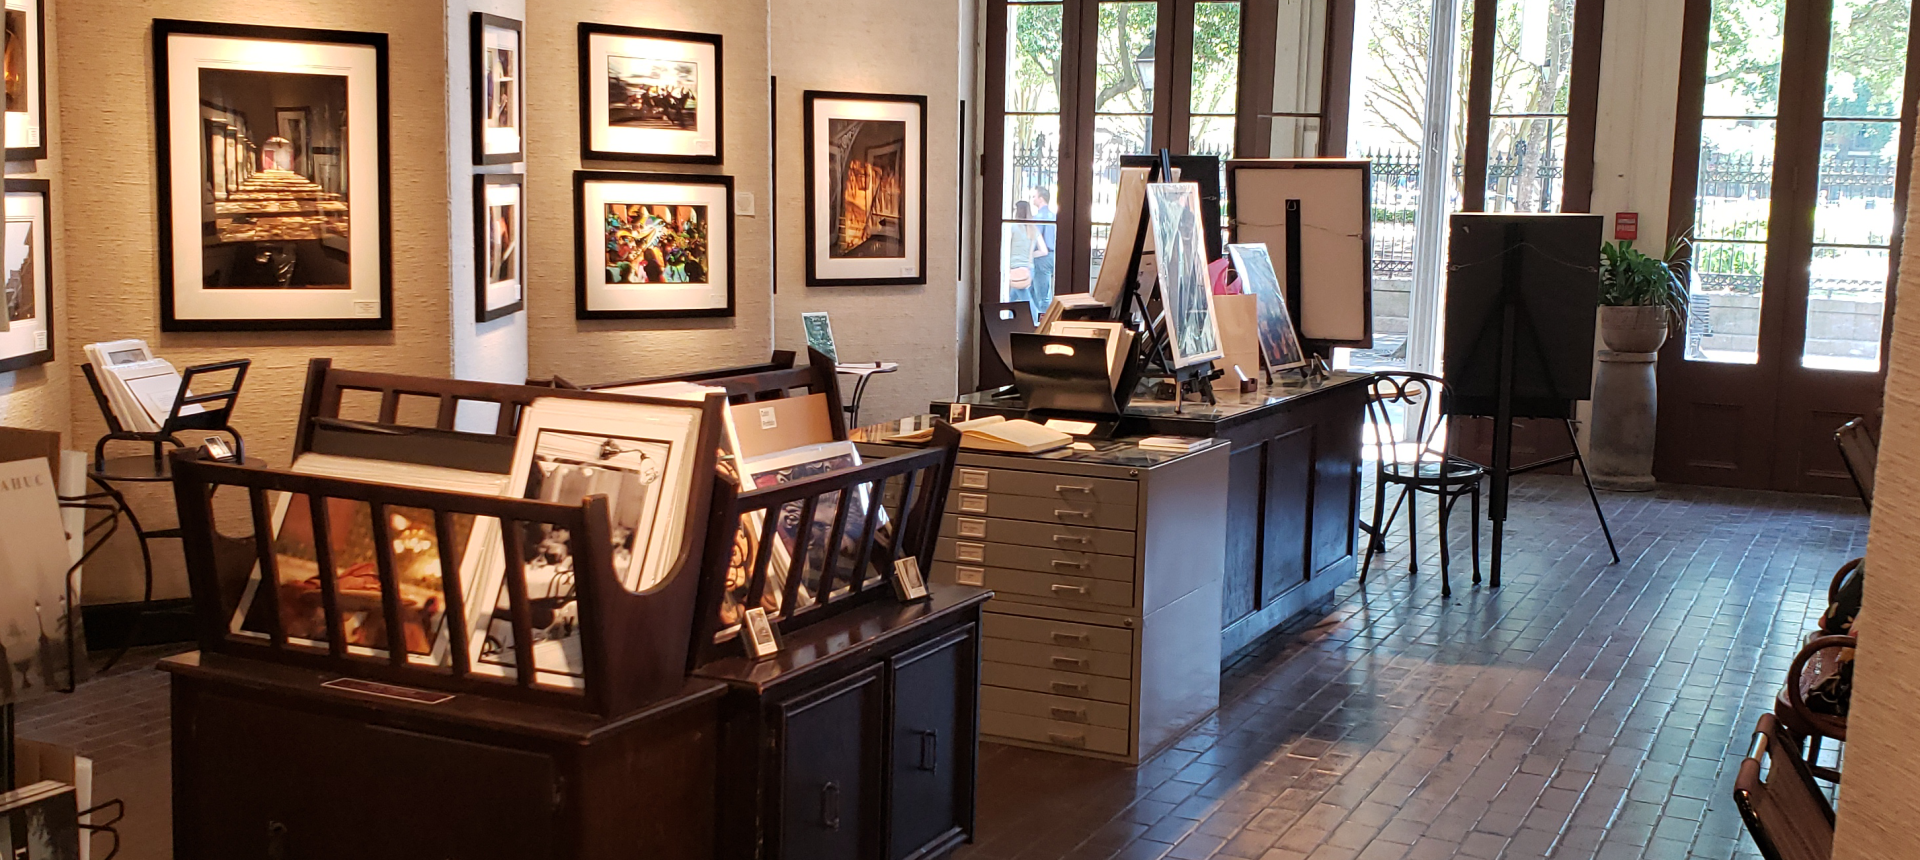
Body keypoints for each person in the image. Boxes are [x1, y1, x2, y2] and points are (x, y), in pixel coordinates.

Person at [1026, 187, 1058, 318]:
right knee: (1034, 291)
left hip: (1041, 258)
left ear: (1041, 199)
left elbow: (1034, 238)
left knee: (1041, 295)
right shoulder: (1053, 216)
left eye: (1034, 196)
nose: (1033, 199)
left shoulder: (1039, 217)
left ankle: (1044, 323)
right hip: (1052, 256)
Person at [1006, 200, 1036, 306]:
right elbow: (1039, 250)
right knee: (1011, 297)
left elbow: (1007, 247)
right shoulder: (1033, 229)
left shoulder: (1012, 227)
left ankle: (1035, 318)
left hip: (1014, 266)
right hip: (1028, 267)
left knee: (1024, 297)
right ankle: (1007, 316)